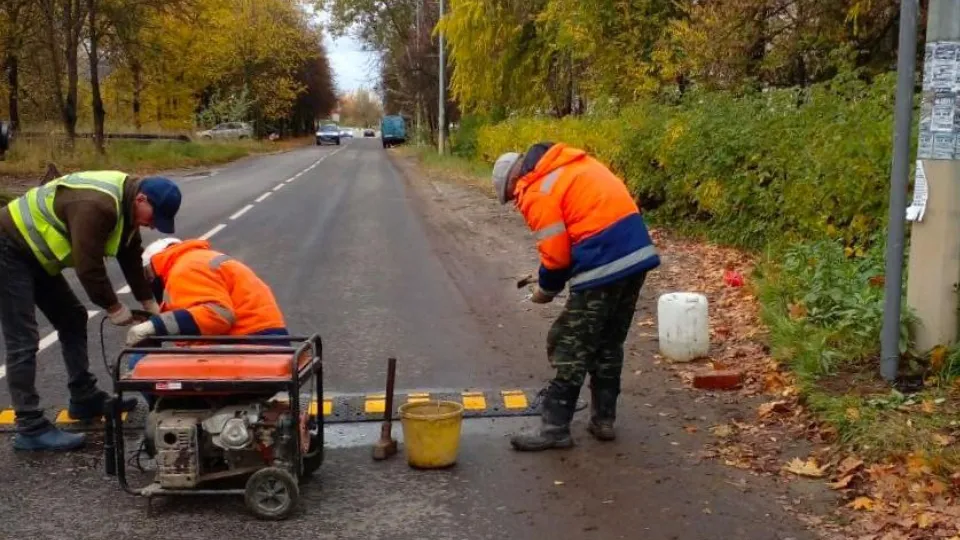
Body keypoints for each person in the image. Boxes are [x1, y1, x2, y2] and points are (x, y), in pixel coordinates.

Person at [491, 142, 661, 451]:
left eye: (512, 196)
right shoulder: (569, 165)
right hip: (636, 255)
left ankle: (554, 428)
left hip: (604, 263)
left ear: (514, 182)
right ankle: (603, 421)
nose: (517, 202)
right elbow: (583, 228)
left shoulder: (536, 189)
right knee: (609, 340)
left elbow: (556, 260)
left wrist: (545, 290)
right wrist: (556, 273)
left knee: (569, 342)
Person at [0, 170, 182, 451]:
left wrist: (149, 304)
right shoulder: (100, 206)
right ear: (142, 199)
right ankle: (30, 426)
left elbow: (131, 255)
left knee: (73, 316)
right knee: (23, 339)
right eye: (153, 217)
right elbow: (88, 266)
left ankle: (83, 397)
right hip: (9, 247)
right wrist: (113, 306)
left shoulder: (128, 205)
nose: (154, 226)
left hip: (31, 253)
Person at [125, 237, 289, 355]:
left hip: (247, 347)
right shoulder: (199, 259)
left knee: (142, 362)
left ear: (152, 269)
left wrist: (154, 326)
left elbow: (217, 315)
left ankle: (173, 404)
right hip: (268, 342)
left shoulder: (184, 269)